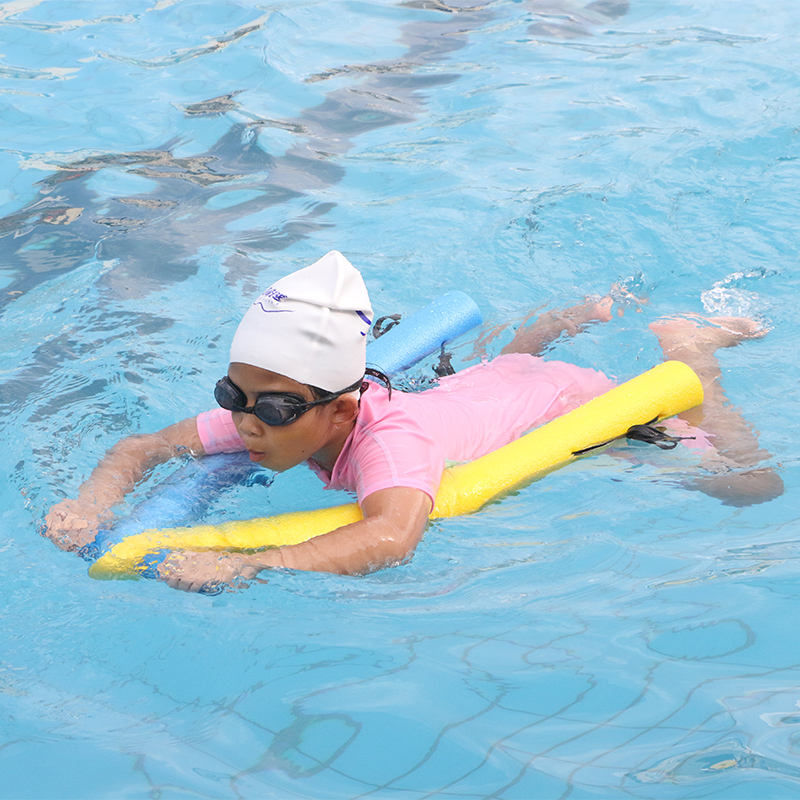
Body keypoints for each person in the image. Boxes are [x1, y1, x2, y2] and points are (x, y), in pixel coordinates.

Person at [43, 251, 783, 591]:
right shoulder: (268, 411)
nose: (246, 423)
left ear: (341, 409)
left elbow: (393, 536)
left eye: (272, 409)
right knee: (500, 368)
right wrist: (92, 503)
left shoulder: (389, 445)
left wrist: (253, 564)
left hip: (571, 405)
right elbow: (142, 447)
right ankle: (567, 319)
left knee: (751, 486)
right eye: (232, 395)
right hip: (490, 388)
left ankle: (693, 349)